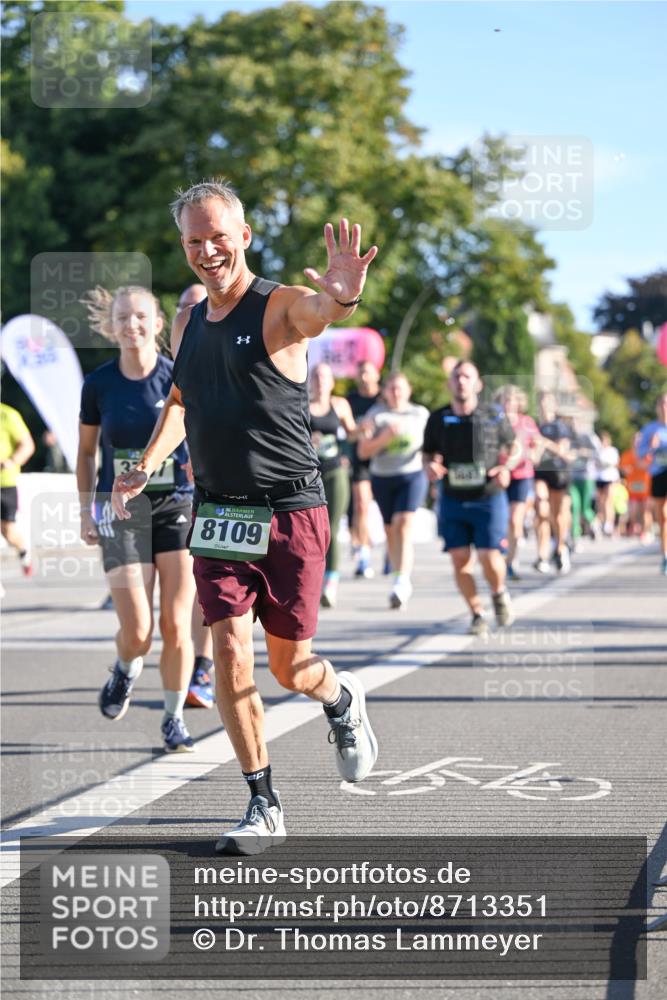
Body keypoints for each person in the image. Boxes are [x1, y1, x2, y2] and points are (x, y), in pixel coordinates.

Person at [111, 180, 379, 856]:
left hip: (292, 512)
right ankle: (262, 800)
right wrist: (147, 462)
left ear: (244, 236)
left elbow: (322, 311)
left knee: (291, 669)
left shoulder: (279, 305)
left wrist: (344, 294)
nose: (206, 251)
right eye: (193, 241)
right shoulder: (189, 319)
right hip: (220, 514)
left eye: (217, 237)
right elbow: (179, 400)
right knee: (229, 650)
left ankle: (341, 699)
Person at [77, 285, 198, 753]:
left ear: (159, 323)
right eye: (123, 318)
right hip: (122, 511)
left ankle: (173, 718)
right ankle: (125, 668)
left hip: (176, 506)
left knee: (175, 622)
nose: (132, 326)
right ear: (111, 326)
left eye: (141, 317)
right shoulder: (99, 385)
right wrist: (87, 510)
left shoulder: (178, 377)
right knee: (139, 632)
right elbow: (87, 452)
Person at [423, 361, 517, 636]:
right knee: (460, 559)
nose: (461, 381)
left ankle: (499, 593)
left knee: (489, 556)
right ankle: (477, 613)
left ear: (478, 384)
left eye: (467, 376)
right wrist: (430, 466)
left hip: (488, 495)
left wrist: (507, 467)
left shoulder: (493, 415)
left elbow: (515, 446)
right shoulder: (438, 418)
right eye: (457, 376)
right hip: (453, 497)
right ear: (450, 383)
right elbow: (428, 454)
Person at [175, 282, 215, 709]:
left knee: (204, 585)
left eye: (201, 307)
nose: (194, 315)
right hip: (162, 499)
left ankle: (203, 666)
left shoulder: (226, 363)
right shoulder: (153, 371)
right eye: (186, 307)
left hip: (212, 492)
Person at [357, 372, 429, 609]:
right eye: (392, 389)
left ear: (409, 390)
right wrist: (384, 438)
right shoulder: (376, 416)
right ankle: (397, 575)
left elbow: (433, 446)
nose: (396, 393)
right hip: (383, 477)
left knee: (403, 523)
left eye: (400, 388)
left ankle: (403, 581)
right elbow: (363, 452)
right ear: (385, 391)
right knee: (390, 530)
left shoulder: (420, 414)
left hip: (412, 475)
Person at [309, 362, 356, 608]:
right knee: (314, 530)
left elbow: (351, 434)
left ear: (332, 382)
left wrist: (366, 432)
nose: (320, 381)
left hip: (335, 471)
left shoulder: (340, 405)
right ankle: (314, 577)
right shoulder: (301, 404)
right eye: (316, 376)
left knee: (332, 526)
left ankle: (331, 581)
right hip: (309, 475)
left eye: (325, 377)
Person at [497, 385, 540, 580]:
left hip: (522, 475)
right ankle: (501, 551)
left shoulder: (527, 423)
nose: (508, 404)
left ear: (518, 403)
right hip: (499, 475)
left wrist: (530, 454)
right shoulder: (494, 422)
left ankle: (511, 561)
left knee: (515, 520)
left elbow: (537, 448)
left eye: (512, 400)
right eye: (505, 400)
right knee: (500, 518)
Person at [346, 360, 381, 578]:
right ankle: (363, 554)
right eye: (360, 373)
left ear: (377, 376)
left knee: (388, 513)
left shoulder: (383, 399)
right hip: (360, 460)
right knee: (361, 505)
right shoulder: (351, 401)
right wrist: (359, 431)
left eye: (368, 373)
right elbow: (347, 433)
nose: (364, 377)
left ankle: (387, 550)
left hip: (385, 460)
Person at [534, 394, 573, 574]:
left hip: (558, 472)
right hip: (540, 472)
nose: (544, 406)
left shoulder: (560, 427)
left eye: (547, 402)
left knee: (557, 515)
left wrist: (545, 444)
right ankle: (542, 555)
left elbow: (563, 452)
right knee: (541, 510)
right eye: (541, 402)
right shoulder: (535, 426)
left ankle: (560, 547)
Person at [0, 402, 35, 576]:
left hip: (4, 483)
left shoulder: (8, 414)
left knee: (7, 530)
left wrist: (10, 462)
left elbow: (27, 445)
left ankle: (23, 551)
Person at [637, 391, 667, 574]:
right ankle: (665, 554)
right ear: (657, 408)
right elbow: (640, 457)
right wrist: (652, 447)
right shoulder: (650, 429)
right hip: (658, 474)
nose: (665, 407)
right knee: (662, 517)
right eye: (662, 404)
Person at [569, 422, 601, 547]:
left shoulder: (589, 436)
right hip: (572, 477)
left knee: (584, 508)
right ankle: (575, 537)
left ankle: (594, 523)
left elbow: (598, 454)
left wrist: (583, 452)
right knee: (574, 506)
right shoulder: (568, 437)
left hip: (586, 476)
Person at [619, 433, 652, 541]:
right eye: (635, 440)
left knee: (645, 511)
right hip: (632, 487)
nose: (637, 443)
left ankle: (645, 531)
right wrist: (628, 469)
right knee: (633, 510)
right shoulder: (627, 454)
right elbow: (623, 468)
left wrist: (640, 465)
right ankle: (633, 526)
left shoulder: (647, 453)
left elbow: (650, 466)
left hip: (646, 486)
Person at [595, 430, 620, 536]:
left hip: (610, 478)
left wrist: (605, 464)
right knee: (600, 502)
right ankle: (602, 521)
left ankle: (609, 523)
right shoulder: (597, 451)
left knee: (608, 501)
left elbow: (615, 463)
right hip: (599, 478)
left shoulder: (612, 450)